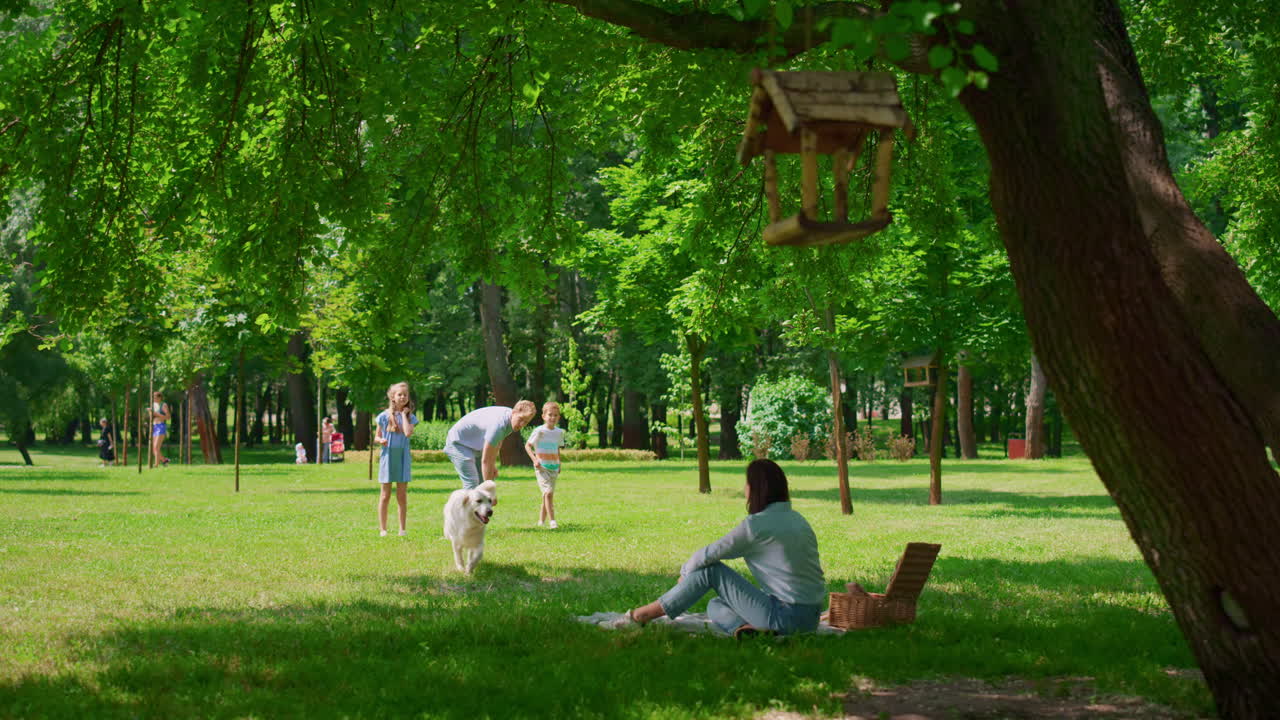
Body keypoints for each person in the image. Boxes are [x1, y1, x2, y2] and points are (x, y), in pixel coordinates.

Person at [611, 459, 826, 638]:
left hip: (785, 616)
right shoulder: (798, 519)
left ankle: (640, 616)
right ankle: (746, 631)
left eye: (747, 483)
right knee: (715, 605)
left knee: (711, 571)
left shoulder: (757, 525)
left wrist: (685, 573)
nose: (745, 489)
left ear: (756, 488)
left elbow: (709, 554)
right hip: (810, 619)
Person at [443, 399, 537, 491]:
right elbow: (486, 460)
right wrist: (490, 491)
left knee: (481, 483)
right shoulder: (499, 425)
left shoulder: (509, 420)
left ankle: (479, 506)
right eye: (521, 419)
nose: (522, 424)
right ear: (514, 412)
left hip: (473, 446)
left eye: (526, 422)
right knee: (472, 483)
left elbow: (497, 443)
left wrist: (492, 466)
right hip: (458, 443)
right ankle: (466, 506)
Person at [376, 381, 418, 537]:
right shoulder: (383, 416)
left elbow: (407, 433)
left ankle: (402, 529)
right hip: (387, 458)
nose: (402, 397)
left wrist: (403, 415)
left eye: (405, 395)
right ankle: (383, 529)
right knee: (385, 495)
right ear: (393, 397)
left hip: (402, 459)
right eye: (399, 394)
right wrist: (380, 440)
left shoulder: (410, 417)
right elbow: (377, 436)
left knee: (401, 495)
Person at [524, 401, 566, 528]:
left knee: (546, 495)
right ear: (543, 416)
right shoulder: (539, 431)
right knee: (547, 493)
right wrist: (535, 460)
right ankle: (552, 521)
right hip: (541, 467)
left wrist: (559, 463)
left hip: (553, 467)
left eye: (555, 415)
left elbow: (557, 448)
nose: (552, 418)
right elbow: (527, 446)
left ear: (559, 417)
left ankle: (541, 522)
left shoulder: (559, 432)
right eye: (550, 415)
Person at [149, 391, 170, 467]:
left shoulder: (163, 405)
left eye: (155, 397)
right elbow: (152, 416)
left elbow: (168, 417)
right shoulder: (153, 405)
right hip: (154, 426)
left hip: (161, 426)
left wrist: (156, 414)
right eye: (153, 397)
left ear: (160, 397)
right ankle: (164, 460)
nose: (153, 398)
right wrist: (150, 413)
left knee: (156, 447)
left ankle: (156, 465)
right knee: (153, 449)